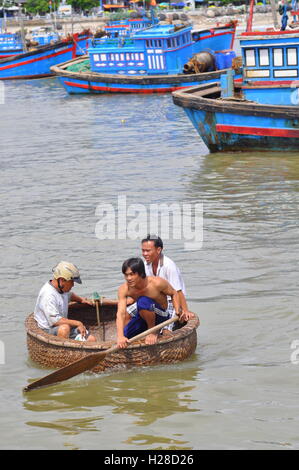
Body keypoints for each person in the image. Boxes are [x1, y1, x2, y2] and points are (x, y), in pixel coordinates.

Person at [127, 235, 194, 324]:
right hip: (155, 300)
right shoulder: (145, 265)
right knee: (127, 313)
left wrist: (185, 310)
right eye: (143, 251)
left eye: (148, 251)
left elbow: (178, 291)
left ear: (158, 250)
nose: (144, 254)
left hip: (171, 302)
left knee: (166, 328)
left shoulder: (169, 266)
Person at [117, 257, 182, 348]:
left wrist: (178, 310)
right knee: (127, 335)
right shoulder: (124, 289)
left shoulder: (156, 283)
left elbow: (174, 293)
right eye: (126, 275)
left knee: (142, 301)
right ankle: (145, 331)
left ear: (141, 273)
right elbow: (121, 314)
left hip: (161, 316)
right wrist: (121, 336)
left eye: (132, 274)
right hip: (144, 315)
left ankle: (152, 331)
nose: (129, 278)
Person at [34, 261, 96, 342]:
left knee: (91, 339)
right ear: (62, 280)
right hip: (48, 329)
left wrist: (82, 300)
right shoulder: (48, 295)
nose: (73, 285)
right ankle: (61, 352)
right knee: (64, 328)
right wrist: (78, 323)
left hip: (64, 326)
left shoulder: (63, 289)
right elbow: (55, 321)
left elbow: (70, 295)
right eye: (72, 282)